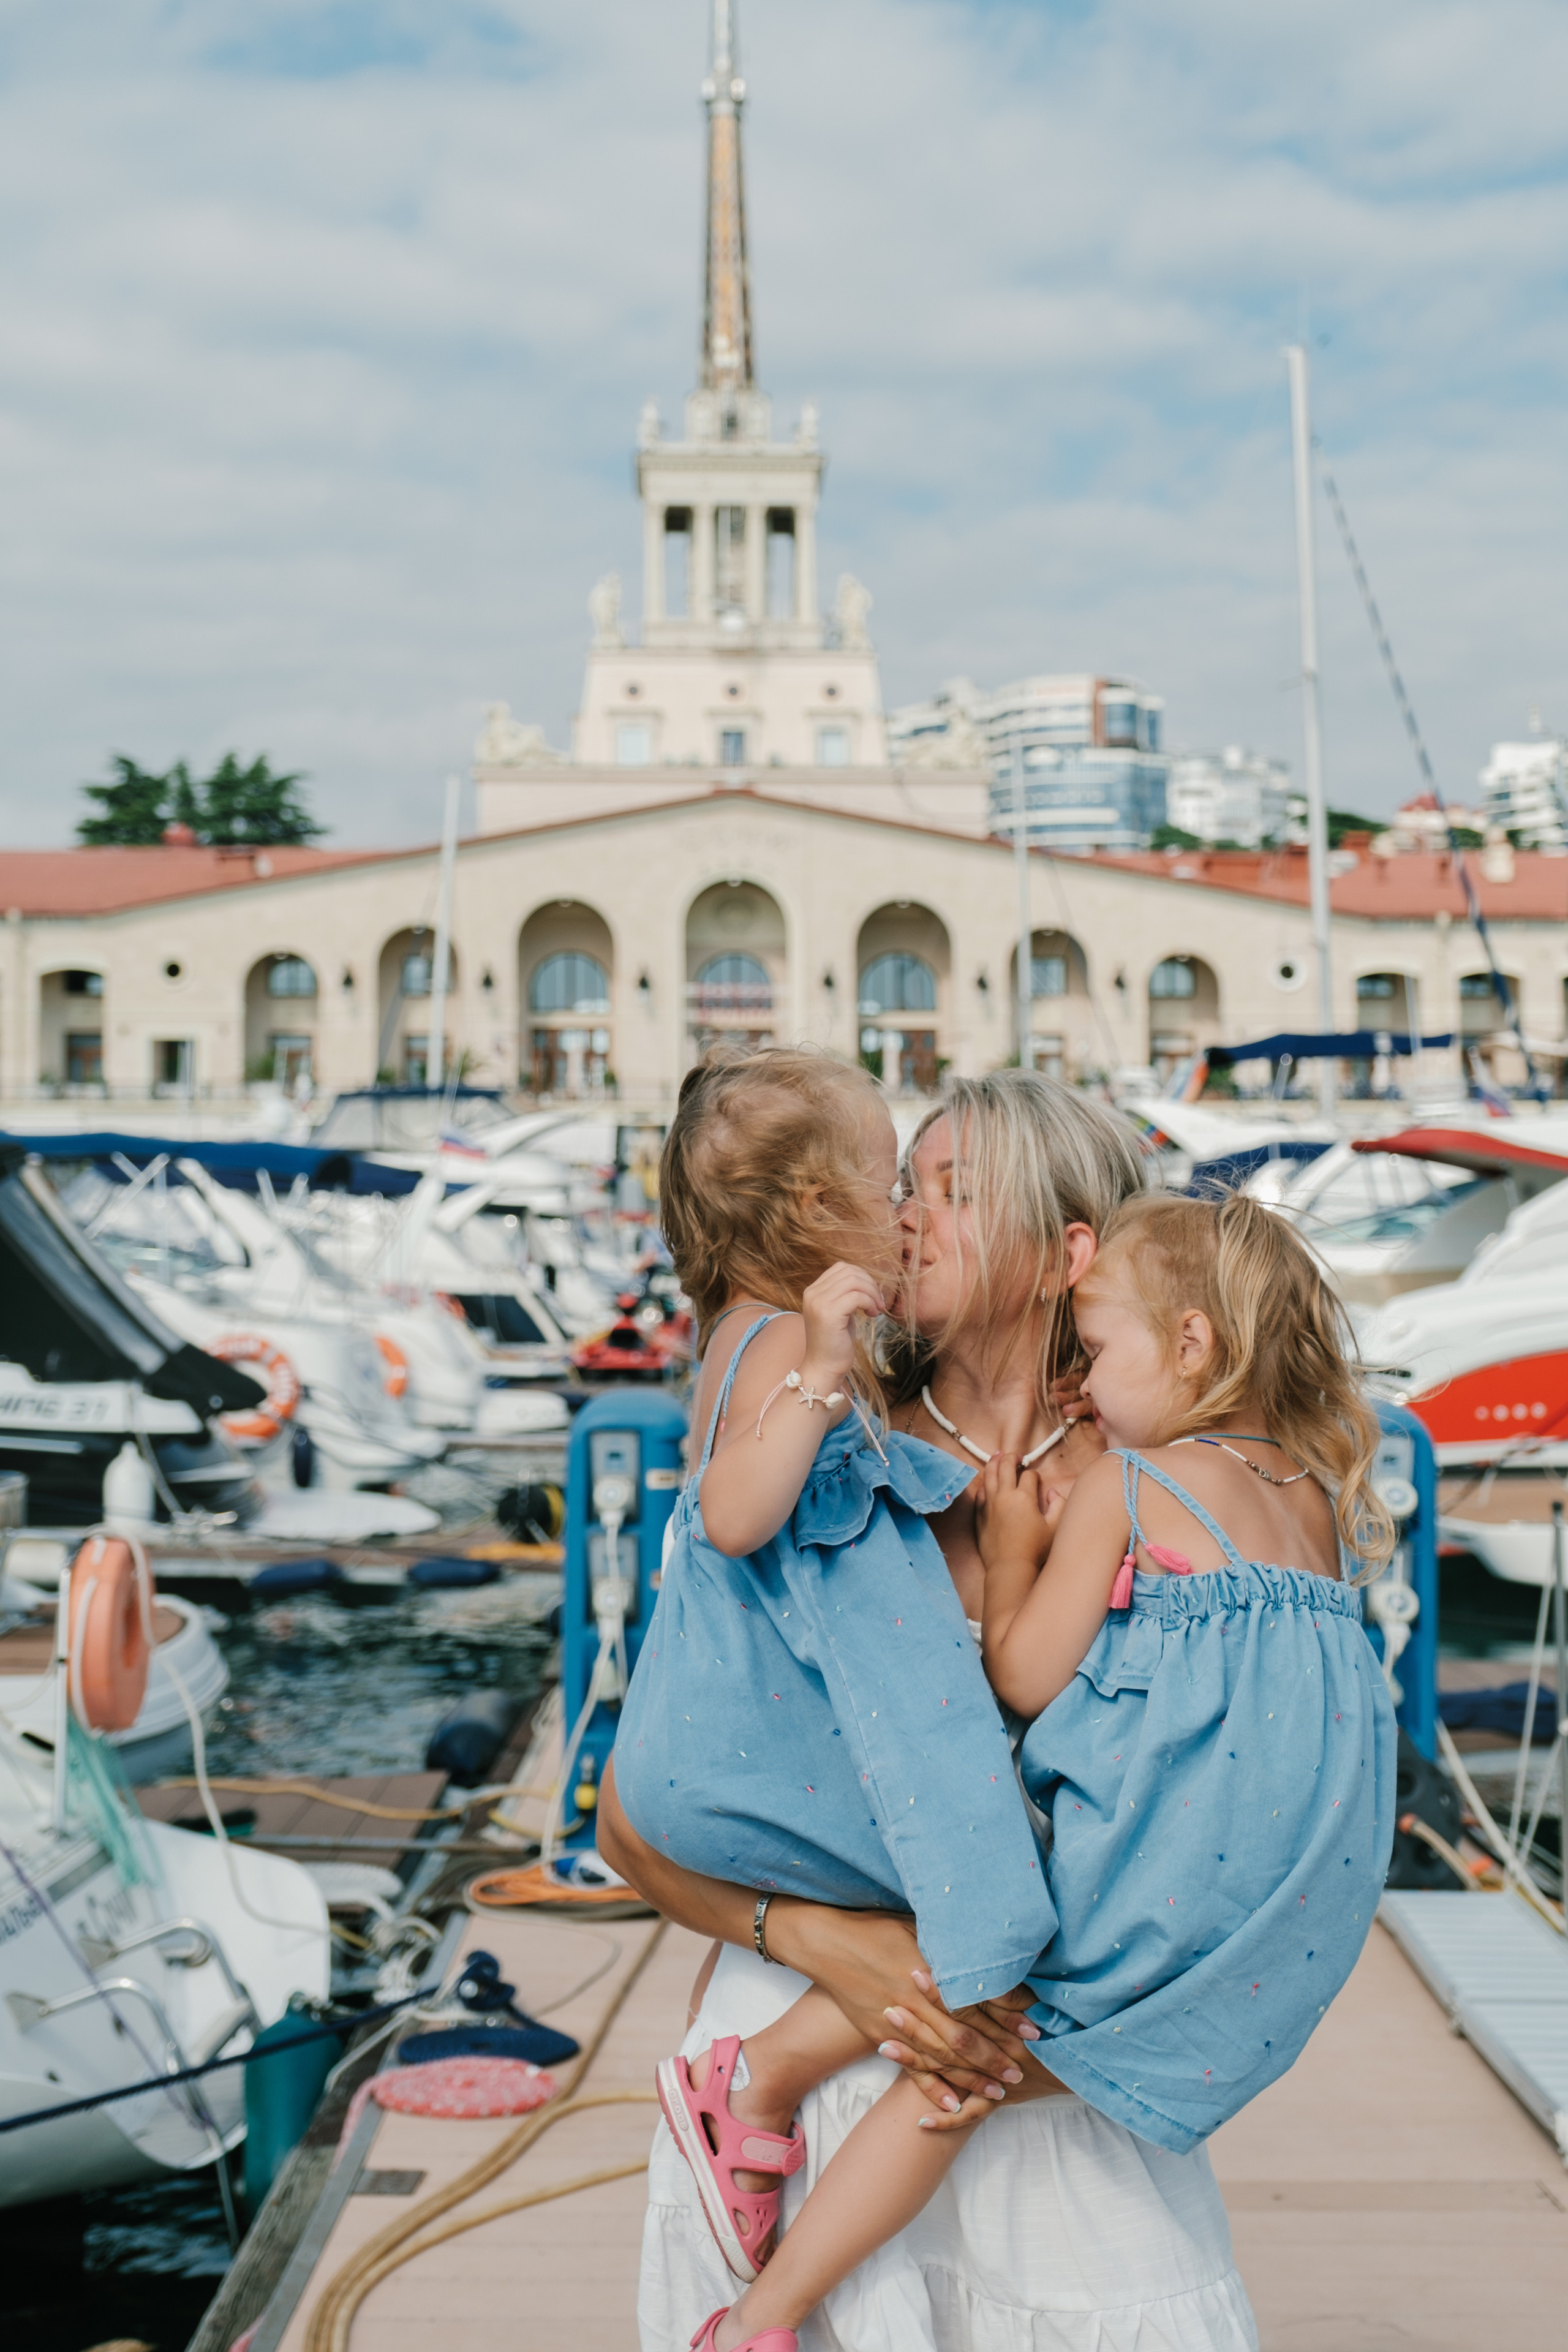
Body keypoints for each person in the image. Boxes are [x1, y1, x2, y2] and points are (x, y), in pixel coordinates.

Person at [664, 1188, 1396, 2352]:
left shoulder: (1133, 1486)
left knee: (969, 2029)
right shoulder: (1311, 1496)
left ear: (1193, 1345)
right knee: (996, 2063)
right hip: (1262, 1901)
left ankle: (760, 2296)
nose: (1085, 1383)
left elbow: (1022, 1675)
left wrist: (1014, 1550)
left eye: (1100, 1352)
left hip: (1133, 1868)